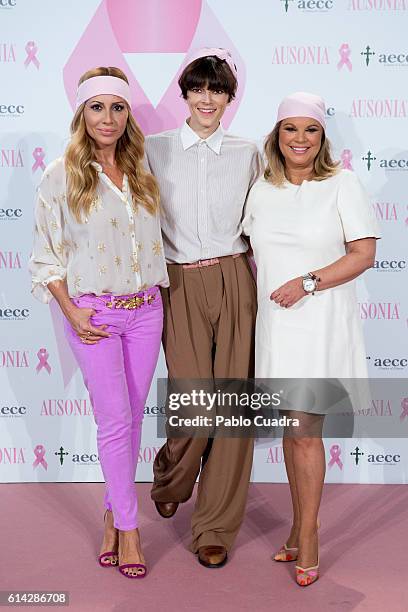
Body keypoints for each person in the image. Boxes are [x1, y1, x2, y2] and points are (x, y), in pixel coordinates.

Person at [29, 67, 169, 579]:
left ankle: (114, 510)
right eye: (97, 107)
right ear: (81, 113)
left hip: (147, 310)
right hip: (96, 314)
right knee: (113, 421)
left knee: (131, 417)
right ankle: (130, 530)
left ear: (128, 114)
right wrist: (71, 310)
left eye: (117, 107)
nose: (107, 118)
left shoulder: (142, 167)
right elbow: (46, 256)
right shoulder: (60, 174)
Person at [242, 92, 380, 586]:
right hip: (277, 327)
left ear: (323, 137)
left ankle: (310, 535)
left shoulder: (342, 183)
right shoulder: (261, 188)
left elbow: (362, 254)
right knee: (290, 432)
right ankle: (299, 529)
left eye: (311, 130)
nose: (300, 139)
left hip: (319, 323)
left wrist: (307, 282)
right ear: (276, 136)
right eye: (290, 129)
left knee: (304, 431)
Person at [145, 48, 262, 568]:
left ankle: (214, 526)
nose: (207, 98)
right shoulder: (153, 149)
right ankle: (172, 472)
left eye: (217, 90)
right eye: (198, 89)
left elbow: (265, 222)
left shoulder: (249, 152)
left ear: (229, 98)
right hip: (177, 282)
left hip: (235, 277)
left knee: (232, 408)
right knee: (195, 404)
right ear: (185, 95)